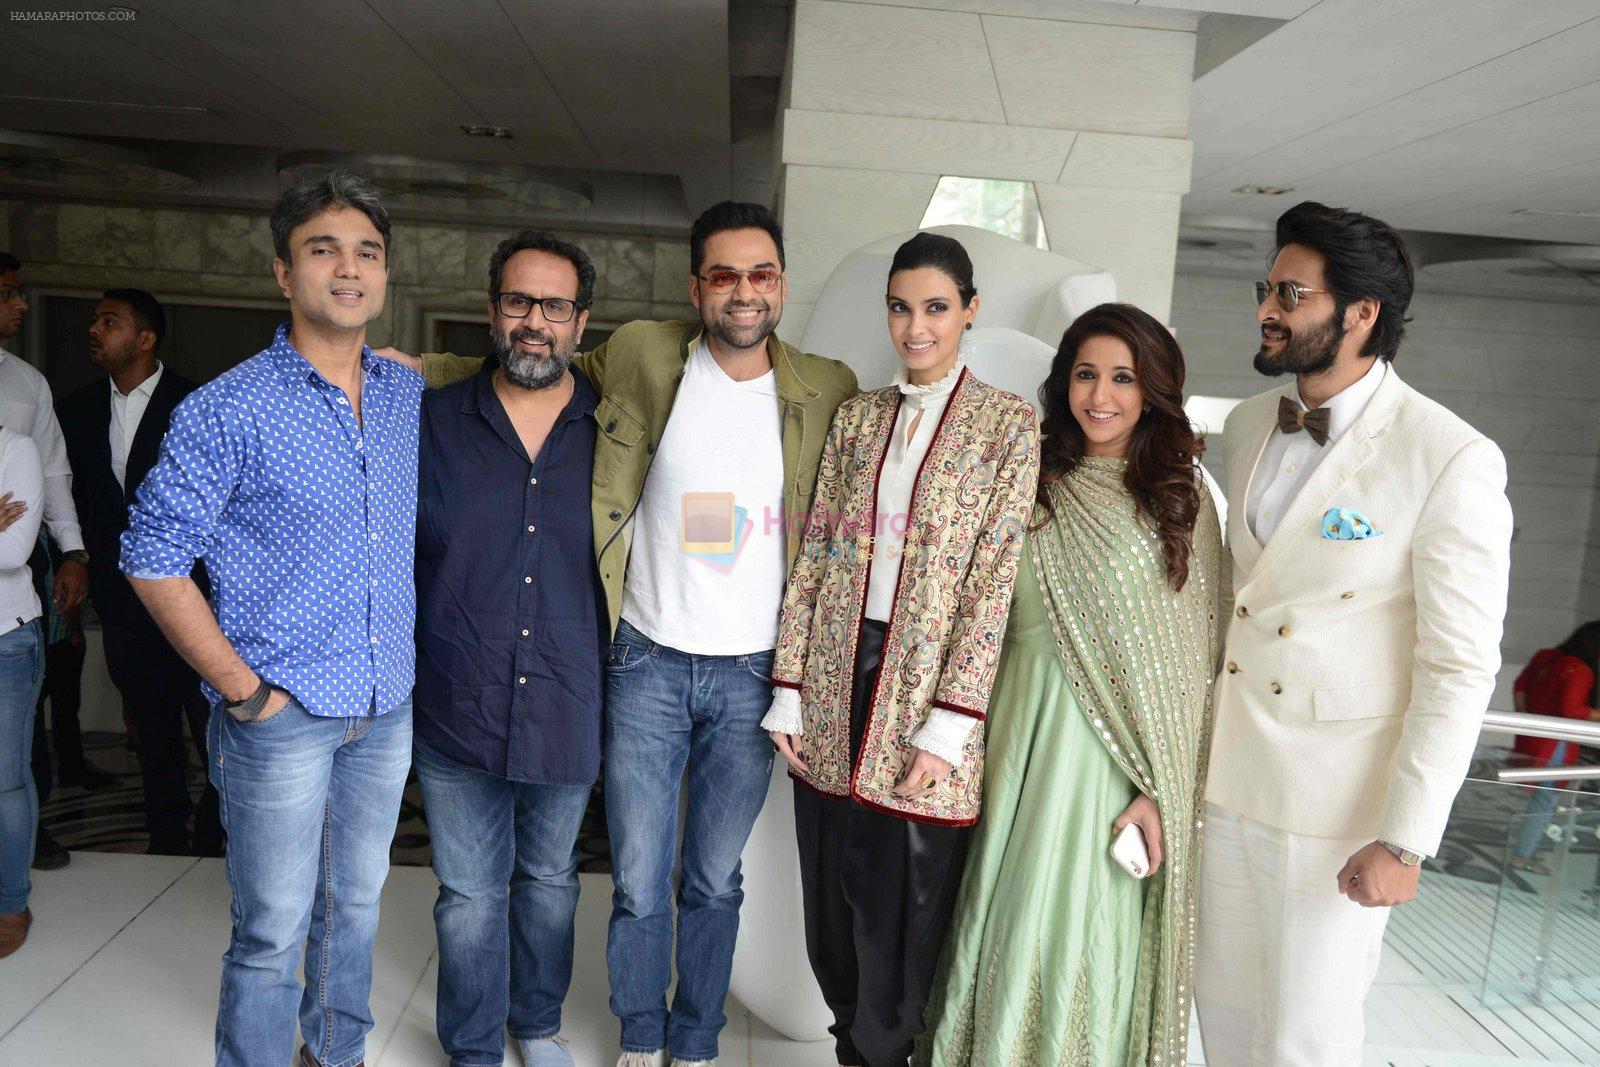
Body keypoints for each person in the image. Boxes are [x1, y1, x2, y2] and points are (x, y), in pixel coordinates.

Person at [410, 200, 859, 1067]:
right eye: (722, 274)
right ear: (697, 287)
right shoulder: (648, 355)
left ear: (781, 286)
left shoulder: (826, 387)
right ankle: (640, 1039)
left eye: (759, 274)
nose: (741, 291)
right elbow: (523, 361)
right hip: (644, 658)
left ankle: (694, 1042)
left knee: (714, 880)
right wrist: (410, 366)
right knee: (639, 880)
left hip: (755, 673)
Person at [1194, 201, 1513, 1066]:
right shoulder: (1246, 424)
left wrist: (1405, 836)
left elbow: (1457, 666)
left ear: (1362, 313)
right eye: (1267, 288)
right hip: (1226, 782)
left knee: (1308, 1040)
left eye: (1291, 293)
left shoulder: (1448, 454)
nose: (1268, 307)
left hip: (1336, 806)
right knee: (1221, 1021)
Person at [121, 173, 422, 1067]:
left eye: (366, 251)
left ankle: (336, 1054)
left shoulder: (406, 394)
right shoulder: (225, 406)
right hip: (278, 715)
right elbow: (151, 555)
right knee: (271, 931)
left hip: (386, 705)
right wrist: (244, 691)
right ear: (283, 274)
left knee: (358, 908)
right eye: (322, 248)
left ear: (385, 274)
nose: (348, 267)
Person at [917, 303, 1221, 1065]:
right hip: (1014, 734)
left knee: (1077, 931)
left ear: (1153, 389)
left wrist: (1161, 789)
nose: (1102, 395)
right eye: (1087, 373)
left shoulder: (1181, 503)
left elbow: (1193, 668)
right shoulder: (1029, 476)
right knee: (998, 914)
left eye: (1124, 377)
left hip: (1109, 763)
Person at [763, 232, 1040, 1067]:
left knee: (903, 914)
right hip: (838, 674)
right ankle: (853, 1049)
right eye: (900, 307)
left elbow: (993, 581)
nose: (915, 327)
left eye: (935, 308)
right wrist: (791, 686)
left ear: (969, 311)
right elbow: (819, 551)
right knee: (831, 908)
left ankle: (885, 1054)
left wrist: (949, 724)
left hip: (926, 698)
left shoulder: (1007, 424)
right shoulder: (859, 419)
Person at [413, 231, 607, 1067]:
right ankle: (471, 1044)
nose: (535, 322)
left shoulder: (618, 432)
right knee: (466, 894)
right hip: (457, 692)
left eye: (554, 306)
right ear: (493, 312)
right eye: (519, 302)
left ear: (581, 321)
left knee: (552, 884)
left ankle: (533, 1022)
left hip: (570, 696)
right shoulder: (431, 421)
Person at [58, 288, 221, 856]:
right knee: (150, 730)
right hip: (122, 599)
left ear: (146, 339)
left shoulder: (199, 403)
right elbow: (74, 498)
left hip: (195, 598)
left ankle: (215, 831)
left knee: (212, 728)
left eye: (110, 321)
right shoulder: (75, 409)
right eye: (95, 321)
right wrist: (74, 561)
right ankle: (166, 838)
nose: (95, 330)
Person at [0, 251, 86, 871]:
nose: (21, 305)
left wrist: (73, 551)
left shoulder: (27, 381)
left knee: (24, 718)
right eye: (7, 293)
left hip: (16, 577)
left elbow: (53, 472)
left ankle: (23, 839)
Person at [0, 422, 45, 958]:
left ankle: (12, 901)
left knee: (5, 780)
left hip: (6, 636)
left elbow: (12, 551)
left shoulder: (16, 450)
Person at [1507, 621, 1600, 874]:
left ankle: (1526, 848)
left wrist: (1525, 719)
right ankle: (1522, 855)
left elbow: (1520, 686)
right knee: (1545, 801)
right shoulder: (1581, 670)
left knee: (1539, 799)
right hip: (1555, 744)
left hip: (1534, 737)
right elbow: (1572, 711)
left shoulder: (1547, 657)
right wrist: (1596, 714)